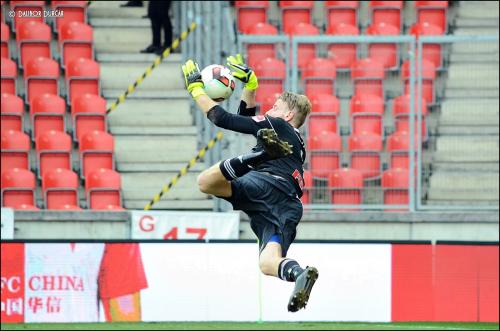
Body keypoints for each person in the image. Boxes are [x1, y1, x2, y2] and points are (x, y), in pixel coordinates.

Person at [181, 55, 319, 312]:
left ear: (288, 115)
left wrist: (196, 88)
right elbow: (246, 119)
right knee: (268, 263)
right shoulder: (294, 141)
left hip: (266, 184)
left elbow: (223, 119)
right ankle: (299, 274)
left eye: (275, 107)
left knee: (205, 182)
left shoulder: (276, 125)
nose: (269, 110)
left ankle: (256, 157)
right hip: (287, 203)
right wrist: (250, 87)